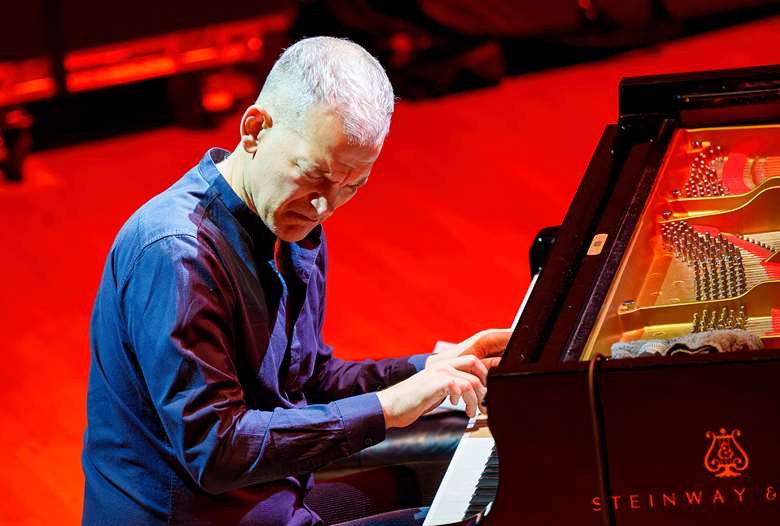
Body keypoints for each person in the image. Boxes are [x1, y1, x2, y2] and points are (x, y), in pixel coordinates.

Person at [82, 36, 510, 526]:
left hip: (275, 498)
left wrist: (427, 370)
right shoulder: (177, 254)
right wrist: (389, 406)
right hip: (196, 516)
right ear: (254, 128)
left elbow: (306, 381)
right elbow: (216, 450)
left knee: (439, 479)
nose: (326, 205)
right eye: (315, 175)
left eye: (352, 186)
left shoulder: (291, 222)